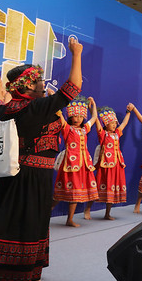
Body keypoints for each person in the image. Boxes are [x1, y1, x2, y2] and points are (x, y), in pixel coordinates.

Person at [0, 38, 83, 281]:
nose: (44, 84)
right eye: (39, 81)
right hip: (28, 178)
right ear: (28, 86)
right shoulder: (34, 107)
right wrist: (76, 54)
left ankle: (17, 274)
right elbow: (72, 87)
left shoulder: (10, 107)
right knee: (11, 227)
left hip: (33, 177)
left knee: (26, 226)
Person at [53, 96, 99, 227]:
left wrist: (93, 105)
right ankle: (46, 213)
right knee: (60, 195)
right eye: (75, 116)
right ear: (70, 117)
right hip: (70, 164)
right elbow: (59, 114)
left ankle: (70, 219)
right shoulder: (67, 128)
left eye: (80, 117)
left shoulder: (85, 129)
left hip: (83, 165)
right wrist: (53, 96)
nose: (78, 119)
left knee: (76, 192)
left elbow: (94, 118)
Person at [89, 104, 133, 220]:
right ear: (106, 124)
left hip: (117, 165)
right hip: (105, 165)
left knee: (112, 189)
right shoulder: (103, 134)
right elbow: (97, 122)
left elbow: (124, 124)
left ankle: (107, 213)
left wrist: (128, 112)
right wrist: (92, 108)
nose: (114, 125)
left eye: (115, 123)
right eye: (112, 123)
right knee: (99, 187)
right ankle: (87, 209)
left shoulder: (117, 133)